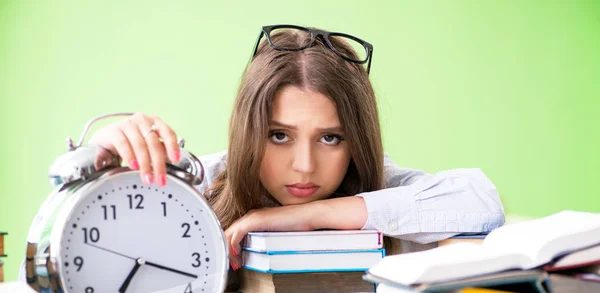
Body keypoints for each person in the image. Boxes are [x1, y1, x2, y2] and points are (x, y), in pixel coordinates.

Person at [89, 25, 505, 270]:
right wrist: (94, 177)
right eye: (279, 136)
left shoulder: (377, 185)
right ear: (248, 131)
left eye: (330, 138)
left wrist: (311, 216)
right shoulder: (201, 188)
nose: (305, 167)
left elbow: (482, 201)